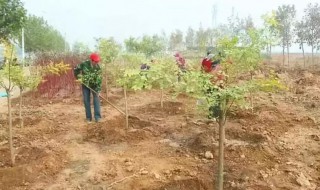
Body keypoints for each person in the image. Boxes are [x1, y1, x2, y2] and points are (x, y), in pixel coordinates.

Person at [74, 53, 102, 123]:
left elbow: (99, 79)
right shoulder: (84, 64)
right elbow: (75, 69)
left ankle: (97, 117)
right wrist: (79, 78)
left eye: (97, 61)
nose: (96, 63)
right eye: (95, 61)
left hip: (94, 85)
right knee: (86, 101)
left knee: (96, 100)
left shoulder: (98, 68)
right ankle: (88, 118)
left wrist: (98, 90)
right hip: (85, 85)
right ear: (91, 60)